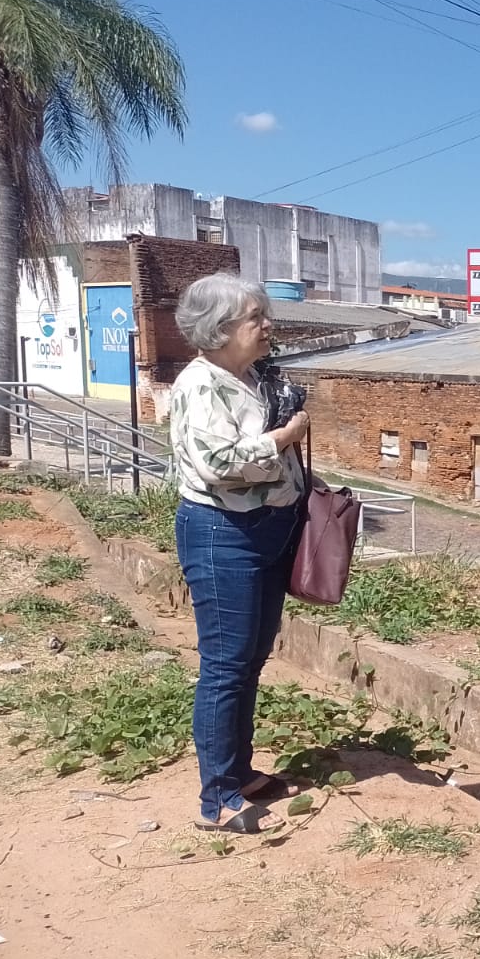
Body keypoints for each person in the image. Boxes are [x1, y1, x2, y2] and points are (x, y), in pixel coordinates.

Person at [169, 273, 311, 834]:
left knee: (249, 660)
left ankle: (238, 769)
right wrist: (283, 438)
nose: (267, 324)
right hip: (222, 532)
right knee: (226, 666)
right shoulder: (199, 384)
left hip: (267, 529)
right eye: (256, 317)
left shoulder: (250, 377)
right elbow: (218, 463)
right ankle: (218, 796)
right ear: (220, 328)